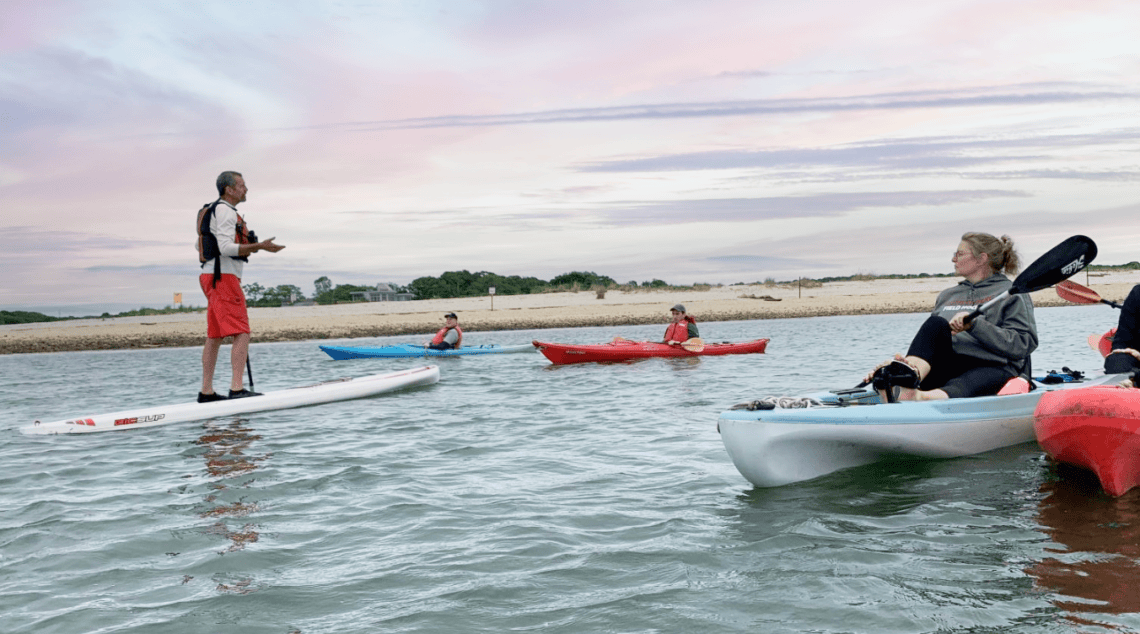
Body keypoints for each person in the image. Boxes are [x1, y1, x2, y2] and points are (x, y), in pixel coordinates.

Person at [865, 232, 1037, 402]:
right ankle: (905, 375)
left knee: (971, 380)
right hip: (947, 367)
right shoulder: (947, 295)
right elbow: (932, 343)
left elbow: (1023, 344)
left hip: (993, 368)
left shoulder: (1011, 294)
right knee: (936, 323)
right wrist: (897, 367)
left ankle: (919, 397)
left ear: (981, 258)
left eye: (959, 254)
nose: (953, 260)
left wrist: (975, 325)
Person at [197, 171, 285, 402]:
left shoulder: (211, 209)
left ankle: (206, 392)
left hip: (211, 276)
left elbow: (198, 246)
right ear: (229, 189)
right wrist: (259, 246)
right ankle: (237, 389)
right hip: (223, 277)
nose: (246, 190)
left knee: (215, 335)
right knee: (242, 331)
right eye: (242, 186)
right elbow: (225, 248)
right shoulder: (225, 211)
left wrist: (250, 247)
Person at [1105, 285, 1140, 376]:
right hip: (1135, 356)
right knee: (1116, 361)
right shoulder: (1137, 293)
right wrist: (1119, 351)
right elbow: (1122, 341)